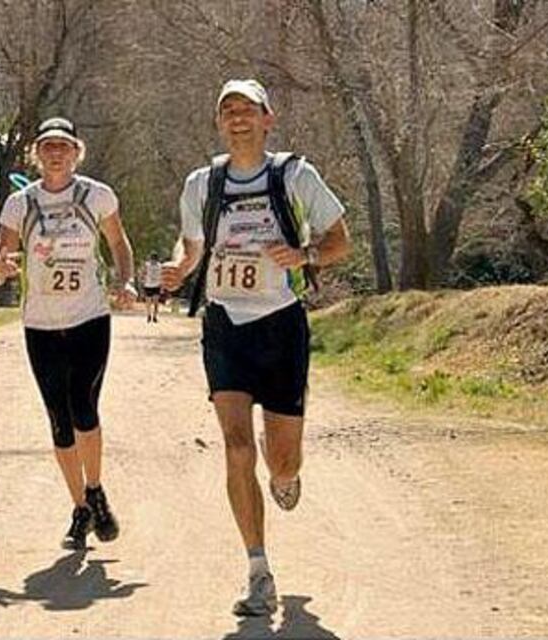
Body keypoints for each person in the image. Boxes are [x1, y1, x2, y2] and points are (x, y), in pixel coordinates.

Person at [160, 79, 350, 617]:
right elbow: (193, 245)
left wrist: (305, 254)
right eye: (228, 111)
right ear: (219, 123)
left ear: (269, 118)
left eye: (248, 109)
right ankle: (258, 570)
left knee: (281, 460)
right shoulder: (204, 183)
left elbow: (341, 241)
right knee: (237, 445)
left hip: (281, 326)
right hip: (226, 326)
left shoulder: (294, 175)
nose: (238, 118)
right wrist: (180, 266)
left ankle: (286, 475)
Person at [0, 116, 137, 550]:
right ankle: (81, 508)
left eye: (64, 146)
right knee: (58, 420)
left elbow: (119, 245)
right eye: (48, 146)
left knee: (84, 407)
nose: (56, 153)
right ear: (36, 154)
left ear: (77, 152)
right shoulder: (19, 204)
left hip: (89, 318)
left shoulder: (97, 196)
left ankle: (96, 488)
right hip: (41, 325)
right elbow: (0, 262)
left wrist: (124, 281)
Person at [141, 251, 162, 323]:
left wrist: (142, 280)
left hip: (149, 285)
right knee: (155, 303)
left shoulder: (147, 265)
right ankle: (153, 316)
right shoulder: (159, 265)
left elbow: (143, 273)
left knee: (149, 303)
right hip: (154, 285)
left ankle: (150, 315)